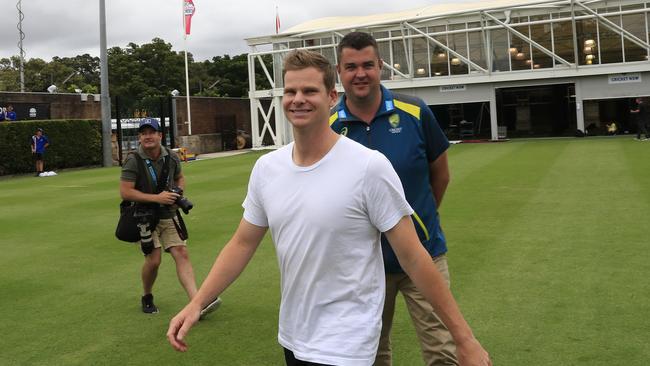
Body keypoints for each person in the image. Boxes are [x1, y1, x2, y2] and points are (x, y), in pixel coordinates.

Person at [167, 50, 491, 366]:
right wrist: (197, 303)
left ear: (332, 96)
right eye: (291, 91)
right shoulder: (268, 168)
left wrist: (464, 339)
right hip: (294, 337)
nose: (298, 99)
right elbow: (242, 243)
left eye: (310, 90)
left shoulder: (368, 167)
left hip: (348, 344)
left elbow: (414, 257)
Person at [330, 31, 456, 366]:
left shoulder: (414, 111)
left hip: (424, 255)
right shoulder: (328, 127)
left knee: (442, 351)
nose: (360, 74)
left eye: (368, 65)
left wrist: (415, 225)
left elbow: (440, 174)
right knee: (370, 354)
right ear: (339, 72)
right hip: (364, 265)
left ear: (380, 66)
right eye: (351, 66)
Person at [120, 118, 221, 315]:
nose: (148, 136)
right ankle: (147, 295)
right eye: (144, 133)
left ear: (160, 135)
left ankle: (196, 303)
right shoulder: (134, 160)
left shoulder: (171, 157)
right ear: (139, 137)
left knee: (181, 253)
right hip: (144, 217)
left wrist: (177, 193)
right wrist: (157, 197)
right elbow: (126, 192)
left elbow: (180, 178)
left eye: (152, 132)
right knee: (154, 259)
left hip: (168, 213)